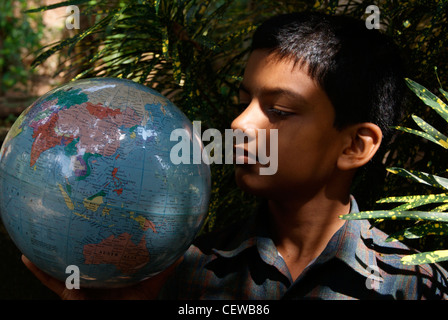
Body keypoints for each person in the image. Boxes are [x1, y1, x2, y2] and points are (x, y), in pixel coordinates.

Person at [23, 12, 448, 300]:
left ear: (355, 145)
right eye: (244, 102)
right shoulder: (181, 274)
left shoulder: (414, 286)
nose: (240, 125)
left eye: (278, 111)